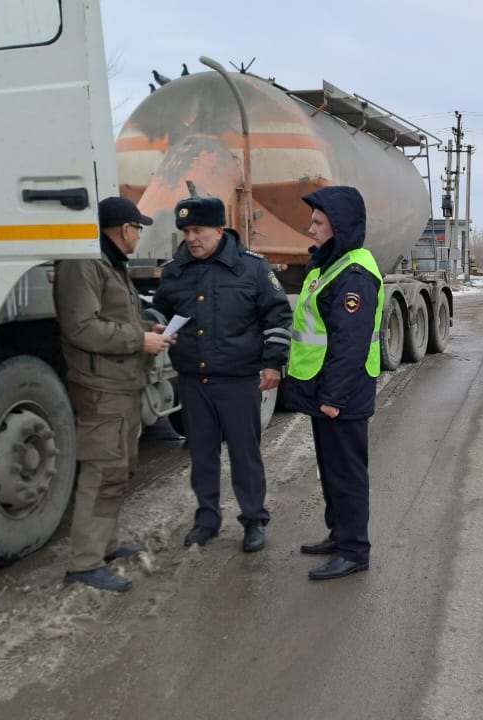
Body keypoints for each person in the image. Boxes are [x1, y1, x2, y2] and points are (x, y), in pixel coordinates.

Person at [151, 196, 292, 552]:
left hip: (238, 380)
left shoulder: (252, 268)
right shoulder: (175, 270)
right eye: (185, 231)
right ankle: (207, 519)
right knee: (201, 454)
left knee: (245, 455)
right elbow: (159, 313)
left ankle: (254, 520)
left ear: (218, 228)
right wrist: (156, 328)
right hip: (193, 381)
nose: (191, 238)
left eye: (198, 230)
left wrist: (273, 362)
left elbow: (277, 317)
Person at [55, 196, 174, 593]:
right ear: (126, 230)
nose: (139, 234)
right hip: (100, 386)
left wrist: (145, 329)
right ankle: (84, 563)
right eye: (137, 228)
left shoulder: (108, 263)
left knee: (119, 468)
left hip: (120, 383)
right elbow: (81, 327)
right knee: (102, 469)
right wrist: (138, 340)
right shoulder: (83, 264)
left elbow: (113, 317)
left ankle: (105, 546)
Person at [286, 186, 382, 581]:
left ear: (339, 227)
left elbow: (350, 344)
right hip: (324, 390)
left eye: (318, 222)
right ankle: (338, 533)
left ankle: (354, 549)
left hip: (341, 395)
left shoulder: (354, 275)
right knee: (330, 470)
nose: (310, 229)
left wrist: (333, 397)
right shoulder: (328, 265)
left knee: (347, 475)